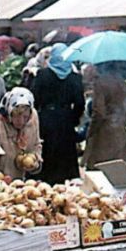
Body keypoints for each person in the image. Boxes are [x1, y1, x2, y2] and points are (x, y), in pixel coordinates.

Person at [31, 43, 85, 184]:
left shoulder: (42, 75)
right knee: (65, 155)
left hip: (46, 120)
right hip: (66, 120)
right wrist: (72, 119)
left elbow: (34, 99)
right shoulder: (74, 78)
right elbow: (80, 103)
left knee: (48, 154)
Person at [82, 63, 126, 170]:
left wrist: (91, 130)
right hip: (120, 130)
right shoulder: (124, 84)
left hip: (104, 132)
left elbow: (99, 112)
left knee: (101, 169)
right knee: (119, 169)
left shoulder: (100, 84)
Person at [0, 87, 42, 179]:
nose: (21, 121)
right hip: (0, 180)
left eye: (25, 117)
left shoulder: (32, 118)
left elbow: (36, 144)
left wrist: (35, 163)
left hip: (20, 180)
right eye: (16, 116)